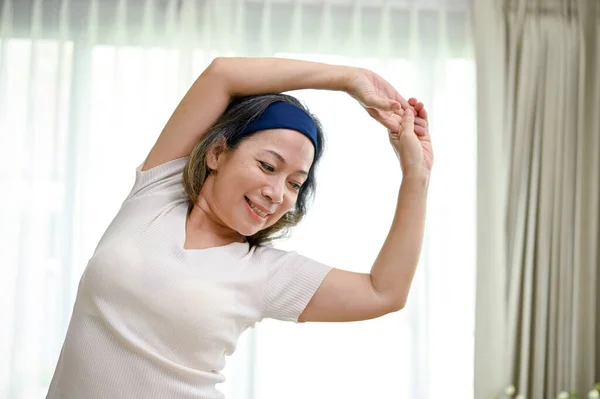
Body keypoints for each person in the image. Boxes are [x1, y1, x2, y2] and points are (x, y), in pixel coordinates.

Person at [46, 57, 433, 398]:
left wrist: (417, 174)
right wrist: (350, 79)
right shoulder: (156, 195)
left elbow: (384, 291)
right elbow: (222, 74)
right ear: (217, 153)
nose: (276, 192)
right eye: (268, 166)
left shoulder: (263, 272)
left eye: (295, 183)